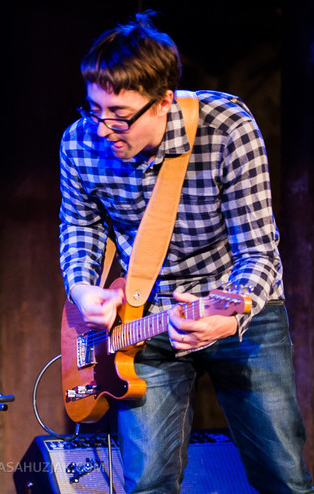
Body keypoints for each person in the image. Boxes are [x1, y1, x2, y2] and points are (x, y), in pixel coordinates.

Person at [58, 11, 312, 493]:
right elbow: (80, 225)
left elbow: (259, 251)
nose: (103, 129)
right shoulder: (78, 144)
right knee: (148, 483)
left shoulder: (225, 128)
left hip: (239, 312)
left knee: (283, 477)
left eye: (120, 116)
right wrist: (82, 286)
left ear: (163, 101)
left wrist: (231, 314)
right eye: (93, 110)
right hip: (142, 322)